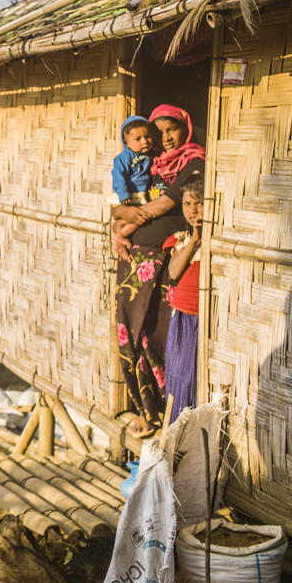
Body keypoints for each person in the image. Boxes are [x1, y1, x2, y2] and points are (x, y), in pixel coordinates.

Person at [112, 104, 206, 438]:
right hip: (135, 264)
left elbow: (163, 205)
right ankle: (145, 410)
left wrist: (122, 226)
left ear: (187, 129)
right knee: (131, 334)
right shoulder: (153, 165)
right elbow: (128, 205)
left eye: (173, 130)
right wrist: (117, 226)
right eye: (160, 131)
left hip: (159, 265)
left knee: (153, 334)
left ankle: (162, 412)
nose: (165, 138)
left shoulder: (194, 165)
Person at [162, 176, 204, 425]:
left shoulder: (218, 242)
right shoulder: (183, 240)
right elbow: (174, 272)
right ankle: (175, 426)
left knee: (194, 376)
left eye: (198, 203)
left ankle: (194, 429)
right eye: (187, 204)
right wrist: (196, 238)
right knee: (178, 374)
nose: (192, 210)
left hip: (203, 316)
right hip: (182, 316)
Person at [111, 115, 155, 205]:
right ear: (126, 142)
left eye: (147, 136)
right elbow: (118, 176)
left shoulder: (151, 155)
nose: (144, 141)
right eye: (138, 139)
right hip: (128, 196)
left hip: (142, 195)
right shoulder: (124, 158)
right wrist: (123, 193)